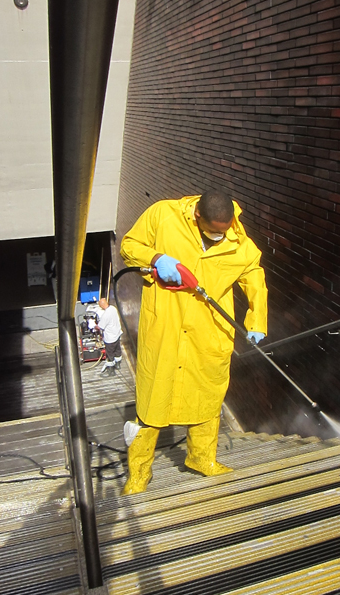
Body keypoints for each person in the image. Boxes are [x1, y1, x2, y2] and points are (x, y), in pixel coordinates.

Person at [120, 190, 268, 495]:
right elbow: (129, 245)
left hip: (208, 334)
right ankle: (138, 473)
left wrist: (257, 321)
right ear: (197, 215)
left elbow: (254, 273)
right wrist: (157, 258)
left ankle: (202, 459)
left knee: (206, 399)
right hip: (166, 330)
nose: (219, 236)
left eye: (223, 231)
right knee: (152, 404)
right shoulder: (163, 214)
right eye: (214, 230)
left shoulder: (237, 240)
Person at [95, 298, 123, 375]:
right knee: (117, 350)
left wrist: (94, 326)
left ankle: (111, 371)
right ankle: (118, 364)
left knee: (110, 354)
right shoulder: (113, 308)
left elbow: (100, 327)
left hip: (110, 338)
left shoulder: (106, 315)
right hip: (117, 334)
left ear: (101, 306)